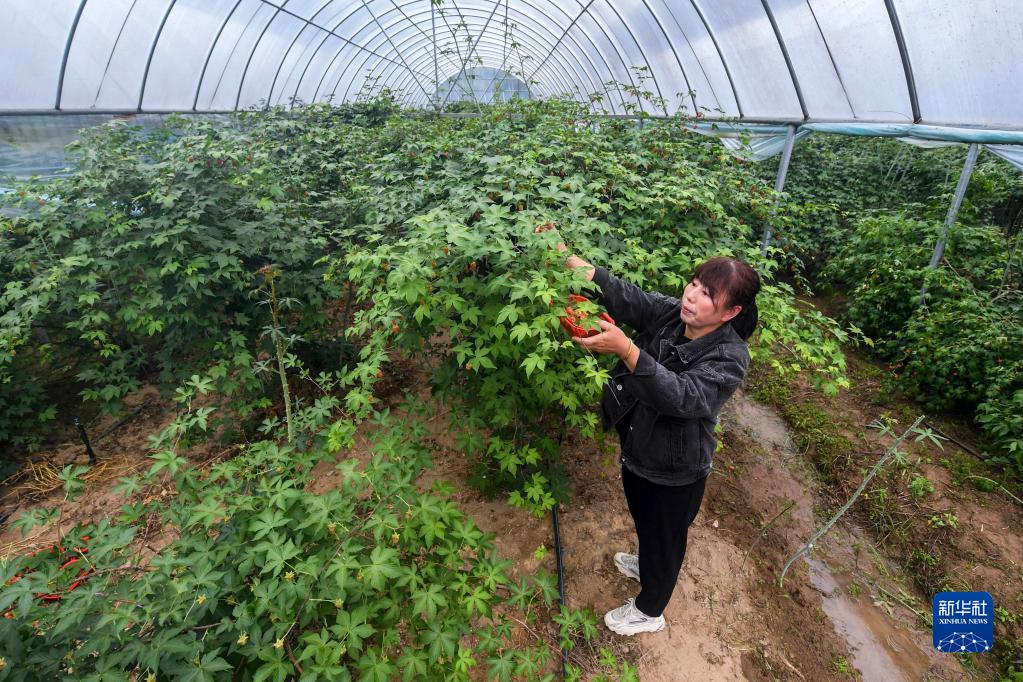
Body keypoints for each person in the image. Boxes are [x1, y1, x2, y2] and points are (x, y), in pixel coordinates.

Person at [536, 223, 761, 636]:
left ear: (731, 313)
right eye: (694, 284)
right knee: (643, 514)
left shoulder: (730, 357)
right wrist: (567, 258)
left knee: (666, 537)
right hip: (641, 446)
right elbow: (626, 295)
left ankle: (650, 609)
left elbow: (684, 396)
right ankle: (646, 561)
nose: (692, 296)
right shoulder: (675, 317)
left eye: (708, 294)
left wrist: (627, 350)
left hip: (677, 469)